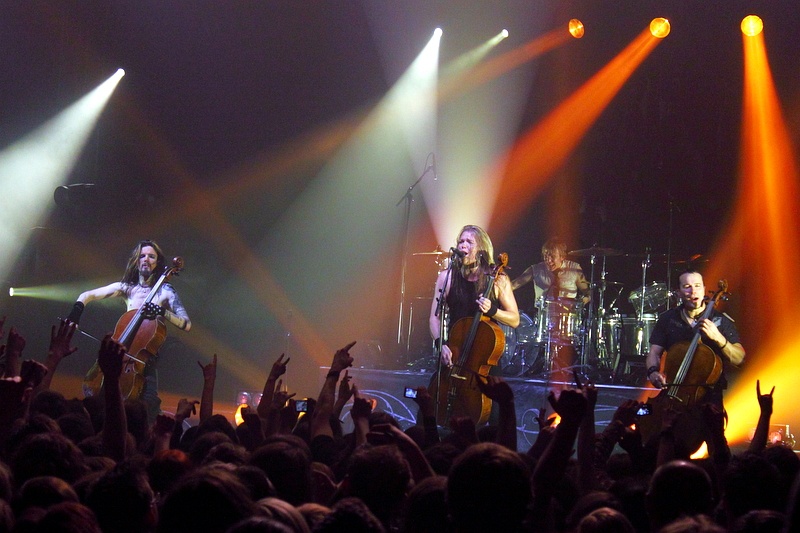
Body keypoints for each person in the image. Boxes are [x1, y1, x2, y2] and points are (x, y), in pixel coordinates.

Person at [65, 240, 191, 422]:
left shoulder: (165, 290)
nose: (146, 259)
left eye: (151, 256)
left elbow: (186, 324)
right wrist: (74, 314)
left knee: (148, 408)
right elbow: (86, 295)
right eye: (142, 255)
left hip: (143, 363)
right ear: (136, 261)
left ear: (157, 262)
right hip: (120, 353)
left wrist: (162, 312)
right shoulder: (128, 288)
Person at [645, 270, 745, 408]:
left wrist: (719, 338)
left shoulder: (721, 321)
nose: (693, 291)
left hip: (709, 401)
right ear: (678, 292)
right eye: (687, 287)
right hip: (673, 394)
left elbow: (740, 359)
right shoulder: (668, 319)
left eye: (698, 286)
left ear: (704, 289)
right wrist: (653, 372)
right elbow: (654, 352)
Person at [429, 225, 519, 368]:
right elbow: (434, 317)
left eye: (469, 242)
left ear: (481, 249)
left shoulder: (497, 279)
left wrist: (492, 311)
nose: (463, 245)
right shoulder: (446, 277)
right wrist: (441, 344)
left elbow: (514, 320)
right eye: (461, 241)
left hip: (484, 358)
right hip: (454, 355)